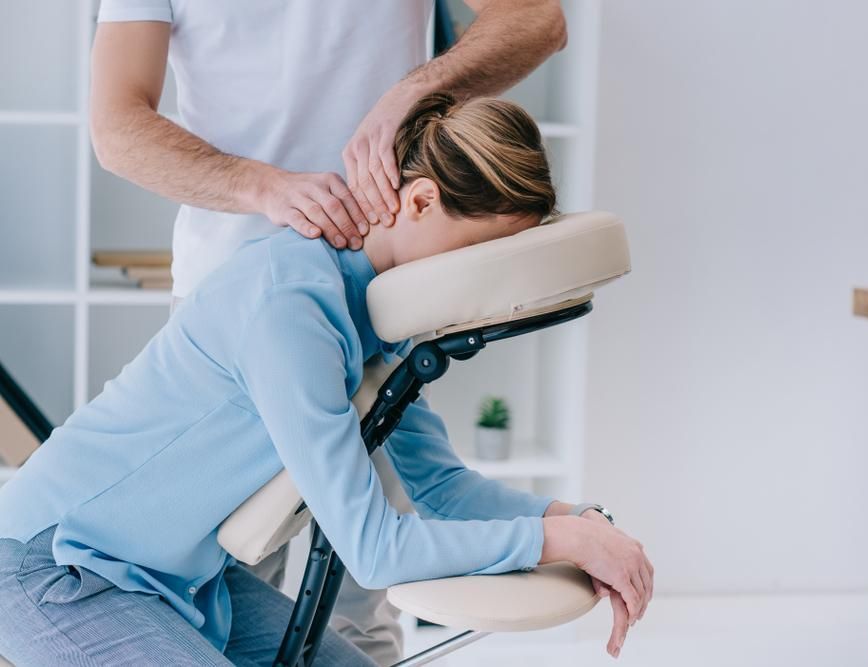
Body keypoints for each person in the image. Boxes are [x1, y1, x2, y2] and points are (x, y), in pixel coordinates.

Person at [0, 93, 653, 666]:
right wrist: (559, 542)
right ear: (421, 200)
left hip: (179, 576)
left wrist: (575, 520)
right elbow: (374, 548)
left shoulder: (382, 318)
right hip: (55, 563)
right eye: (479, 252)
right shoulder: (293, 305)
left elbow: (442, 488)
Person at [89, 2, 569, 661]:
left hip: (376, 304)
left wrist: (416, 87)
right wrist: (264, 188)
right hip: (233, 314)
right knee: (219, 602)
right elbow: (116, 126)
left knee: (357, 620)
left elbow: (537, 19)